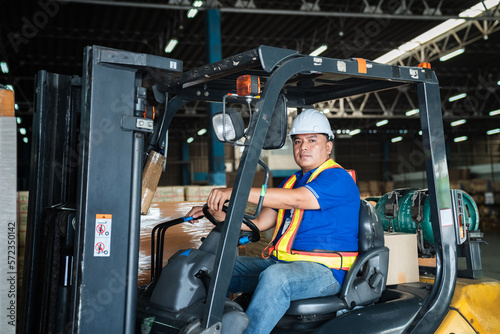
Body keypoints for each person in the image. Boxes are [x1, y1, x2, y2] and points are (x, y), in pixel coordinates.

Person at [187, 109, 360, 334]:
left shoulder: (338, 178)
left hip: (326, 271)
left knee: (277, 278)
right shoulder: (291, 182)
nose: (303, 146)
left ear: (328, 146)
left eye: (312, 140)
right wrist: (211, 212)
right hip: (284, 265)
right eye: (298, 141)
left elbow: (299, 200)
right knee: (211, 265)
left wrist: (236, 191)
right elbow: (258, 223)